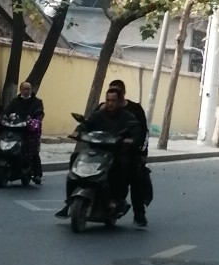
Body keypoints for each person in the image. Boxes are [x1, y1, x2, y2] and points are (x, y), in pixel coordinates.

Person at [57, 77, 150, 224]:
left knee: (128, 168)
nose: (110, 104)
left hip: (119, 152)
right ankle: (70, 201)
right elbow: (87, 124)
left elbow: (140, 132)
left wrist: (134, 143)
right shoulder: (100, 112)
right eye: (108, 100)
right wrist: (78, 132)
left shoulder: (131, 114)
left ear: (121, 97)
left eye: (114, 100)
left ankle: (125, 205)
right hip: (98, 150)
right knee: (75, 157)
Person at [1, 79, 45, 184]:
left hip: (29, 130)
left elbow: (40, 113)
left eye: (28, 89)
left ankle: (37, 174)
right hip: (15, 128)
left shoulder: (37, 102)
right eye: (24, 89)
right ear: (20, 90)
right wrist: (7, 116)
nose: (26, 91)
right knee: (1, 144)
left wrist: (35, 120)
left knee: (32, 151)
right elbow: (7, 111)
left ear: (31, 90)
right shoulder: (15, 101)